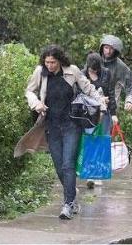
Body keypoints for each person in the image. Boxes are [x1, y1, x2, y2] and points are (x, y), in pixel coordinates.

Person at [21, 45, 107, 220]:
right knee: (59, 166)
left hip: (71, 125)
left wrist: (102, 106)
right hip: (51, 126)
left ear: (59, 60)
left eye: (53, 62)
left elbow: (88, 88)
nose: (50, 65)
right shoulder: (40, 72)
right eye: (47, 62)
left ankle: (68, 204)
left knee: (68, 164)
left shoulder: (72, 71)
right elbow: (29, 90)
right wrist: (36, 103)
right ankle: (71, 193)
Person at [82, 51, 117, 189]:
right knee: (90, 141)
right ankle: (90, 174)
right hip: (88, 114)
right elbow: (78, 94)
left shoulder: (106, 73)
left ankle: (99, 174)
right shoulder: (82, 74)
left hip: (104, 112)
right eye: (92, 69)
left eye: (97, 69)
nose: (94, 71)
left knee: (102, 141)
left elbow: (111, 93)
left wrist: (113, 113)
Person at [99, 34, 132, 120]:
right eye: (106, 47)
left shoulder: (120, 66)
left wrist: (129, 101)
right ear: (102, 47)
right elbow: (82, 79)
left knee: (105, 132)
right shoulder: (94, 59)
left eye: (111, 49)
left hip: (110, 107)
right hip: (92, 104)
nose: (108, 51)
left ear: (116, 50)